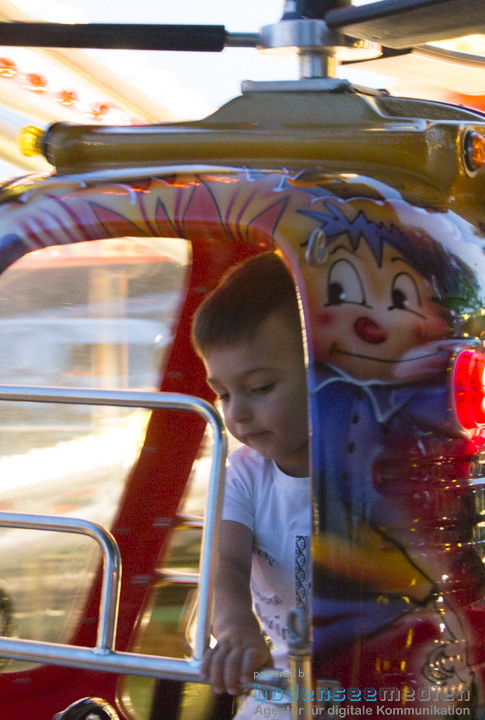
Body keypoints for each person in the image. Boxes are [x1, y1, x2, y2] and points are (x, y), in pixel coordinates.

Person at [191, 252, 312, 718]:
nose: (236, 412)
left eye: (260, 387)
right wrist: (237, 628)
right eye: (222, 393)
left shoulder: (368, 468)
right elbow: (225, 562)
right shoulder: (243, 472)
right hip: (281, 689)